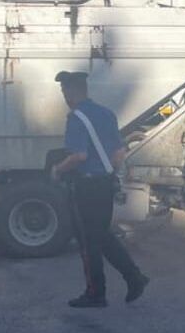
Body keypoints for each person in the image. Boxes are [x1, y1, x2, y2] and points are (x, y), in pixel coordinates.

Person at [49, 71, 149, 308]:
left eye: (64, 91)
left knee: (88, 242)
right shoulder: (106, 114)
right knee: (102, 236)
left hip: (86, 187)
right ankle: (134, 277)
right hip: (104, 184)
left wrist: (58, 170)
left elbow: (79, 155)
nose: (64, 96)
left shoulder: (76, 118)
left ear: (73, 91)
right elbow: (118, 154)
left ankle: (96, 293)